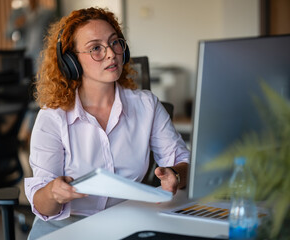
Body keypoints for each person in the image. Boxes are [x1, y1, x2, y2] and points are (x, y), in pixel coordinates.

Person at [25, 7, 190, 238]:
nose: (111, 54)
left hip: (125, 220)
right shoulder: (53, 117)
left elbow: (184, 162)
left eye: (114, 43)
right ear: (72, 62)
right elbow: (42, 205)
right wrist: (53, 193)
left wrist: (176, 175)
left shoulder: (146, 106)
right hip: (66, 227)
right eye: (95, 48)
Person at [6, 0, 56, 72]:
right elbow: (8, 34)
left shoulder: (48, 13)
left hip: (41, 56)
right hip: (23, 56)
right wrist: (16, 25)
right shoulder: (17, 13)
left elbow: (53, 33)